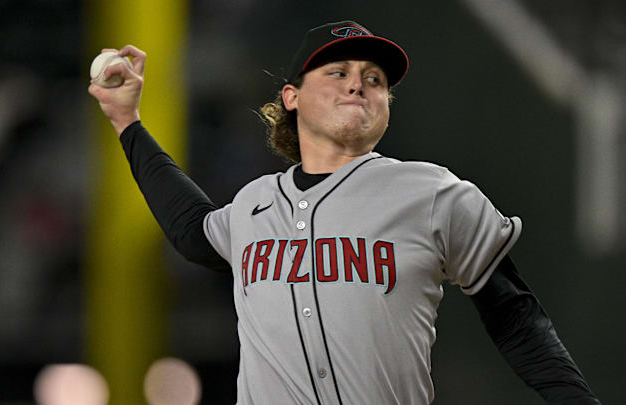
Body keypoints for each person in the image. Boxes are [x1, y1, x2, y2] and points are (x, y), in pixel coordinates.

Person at [88, 20, 600, 405]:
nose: (359, 84)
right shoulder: (253, 204)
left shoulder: (433, 193)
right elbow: (192, 231)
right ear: (291, 97)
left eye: (375, 79)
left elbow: (515, 316)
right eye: (338, 72)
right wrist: (127, 121)